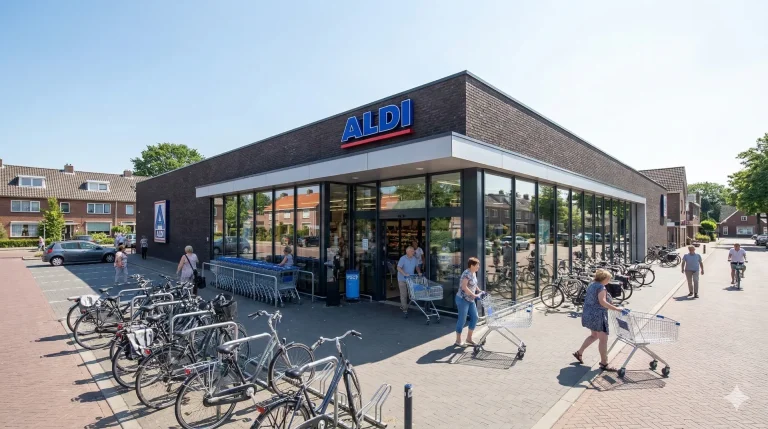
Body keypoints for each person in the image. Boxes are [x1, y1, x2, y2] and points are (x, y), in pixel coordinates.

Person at [572, 269, 623, 371]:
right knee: (603, 340)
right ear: (604, 279)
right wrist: (616, 309)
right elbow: (602, 302)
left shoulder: (591, 285)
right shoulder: (601, 287)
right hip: (598, 316)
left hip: (589, 314)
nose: (609, 281)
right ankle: (604, 363)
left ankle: (579, 352)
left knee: (594, 335)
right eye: (608, 279)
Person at [455, 257, 483, 347]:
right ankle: (458, 340)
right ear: (472, 265)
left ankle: (469, 339)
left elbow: (474, 283)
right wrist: (474, 295)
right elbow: (464, 287)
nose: (478, 267)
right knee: (462, 319)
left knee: (475, 317)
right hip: (462, 299)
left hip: (470, 300)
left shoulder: (473, 273)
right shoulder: (466, 274)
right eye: (477, 265)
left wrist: (478, 290)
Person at [396, 246, 421, 314]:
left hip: (410, 279)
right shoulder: (403, 258)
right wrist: (404, 274)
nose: (414, 252)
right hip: (402, 279)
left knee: (411, 293)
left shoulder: (414, 259)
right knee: (404, 294)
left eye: (413, 251)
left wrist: (419, 272)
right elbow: (398, 268)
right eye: (412, 251)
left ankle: (406, 305)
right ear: (407, 252)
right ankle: (404, 308)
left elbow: (417, 267)